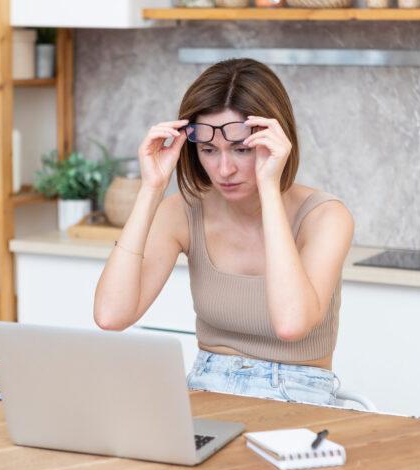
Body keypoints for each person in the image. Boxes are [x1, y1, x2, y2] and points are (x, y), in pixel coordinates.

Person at [93, 58, 354, 406]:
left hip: (298, 391)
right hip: (206, 386)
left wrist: (269, 188)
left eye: (242, 150)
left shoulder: (325, 217)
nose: (224, 169)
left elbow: (291, 324)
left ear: (277, 143)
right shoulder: (184, 211)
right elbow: (111, 316)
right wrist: (152, 189)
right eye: (208, 150)